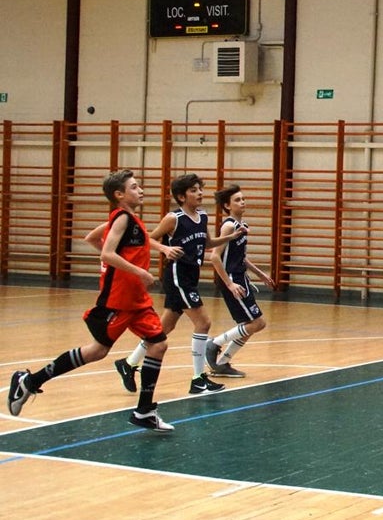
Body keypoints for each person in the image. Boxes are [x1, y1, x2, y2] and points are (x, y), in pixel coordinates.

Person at [7, 170, 181, 431]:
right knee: (97, 351)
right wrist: (138, 271)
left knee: (158, 346)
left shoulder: (131, 219)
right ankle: (30, 381)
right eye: (134, 187)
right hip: (118, 300)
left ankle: (144, 411)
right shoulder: (122, 218)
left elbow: (96, 241)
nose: (141, 190)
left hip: (138, 301)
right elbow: (107, 254)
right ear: (119, 195)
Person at [114, 173, 238, 396]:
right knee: (204, 322)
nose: (199, 193)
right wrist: (164, 249)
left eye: (200, 189)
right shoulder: (174, 218)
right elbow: (147, 238)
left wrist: (232, 236)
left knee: (163, 329)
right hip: (177, 277)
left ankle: (129, 363)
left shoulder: (202, 216)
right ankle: (198, 379)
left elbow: (208, 243)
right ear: (181, 197)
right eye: (193, 190)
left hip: (191, 276)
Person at [204, 184, 276, 378]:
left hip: (240, 277)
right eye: (237, 200)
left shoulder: (243, 225)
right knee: (257, 323)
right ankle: (214, 344)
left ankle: (222, 364)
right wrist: (229, 283)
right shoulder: (229, 225)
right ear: (227, 206)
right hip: (232, 280)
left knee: (248, 326)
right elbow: (215, 257)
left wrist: (260, 274)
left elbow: (240, 256)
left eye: (243, 198)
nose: (242, 202)